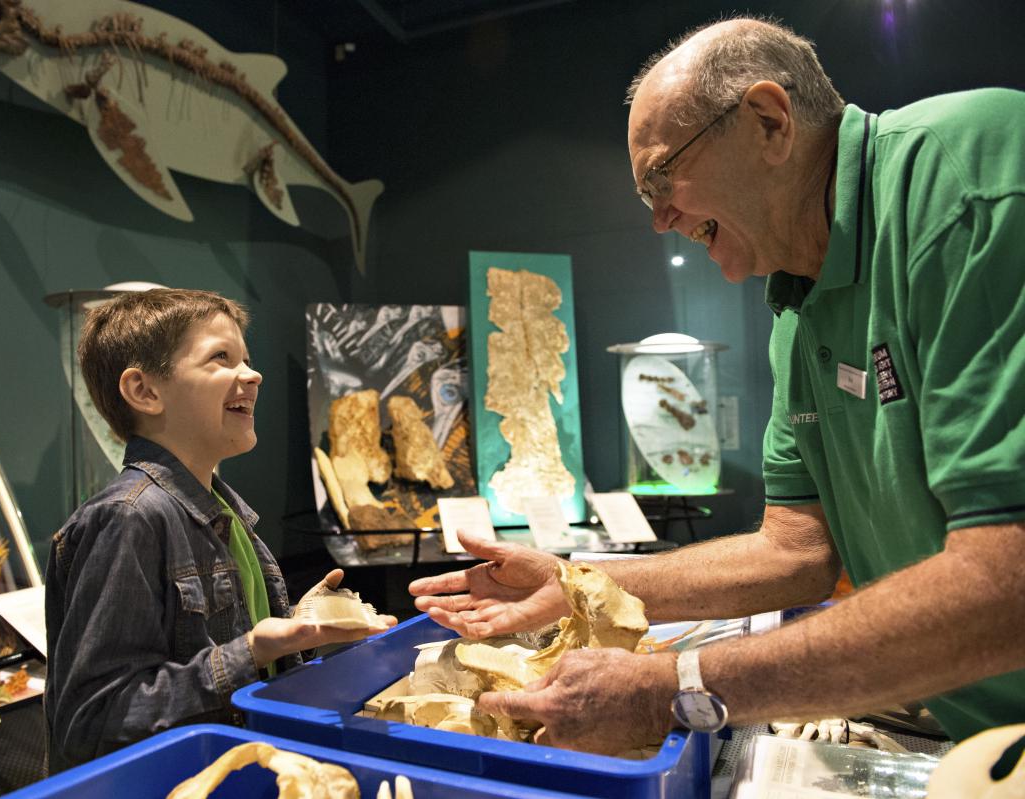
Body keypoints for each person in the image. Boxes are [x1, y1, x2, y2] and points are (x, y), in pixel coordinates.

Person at [410, 17, 1025, 755]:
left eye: (663, 180)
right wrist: (578, 581)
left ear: (768, 121)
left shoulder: (966, 180)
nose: (662, 220)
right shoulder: (798, 309)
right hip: (973, 726)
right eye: (647, 199)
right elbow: (796, 550)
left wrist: (676, 685)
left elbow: (1006, 581)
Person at [44, 288, 394, 770]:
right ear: (144, 391)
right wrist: (250, 651)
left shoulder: (224, 510)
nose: (253, 374)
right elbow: (93, 721)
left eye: (246, 358)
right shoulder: (129, 517)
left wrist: (299, 626)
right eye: (220, 358)